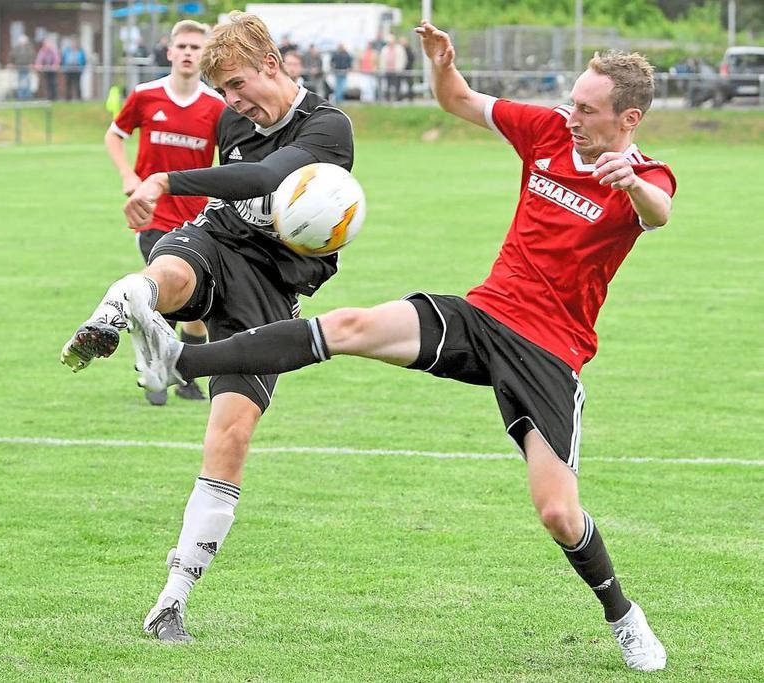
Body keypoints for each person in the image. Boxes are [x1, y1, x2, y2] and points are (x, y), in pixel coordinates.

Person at [129, 21, 676, 673]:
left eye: (585, 108)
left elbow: (658, 211)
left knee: (558, 511)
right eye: (571, 100)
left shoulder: (645, 174)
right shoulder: (547, 132)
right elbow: (460, 101)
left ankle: (623, 615)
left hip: (549, 354)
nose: (570, 114)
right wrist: (442, 65)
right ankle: (177, 360)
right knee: (353, 326)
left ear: (627, 117)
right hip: (481, 315)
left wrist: (629, 183)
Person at [59, 10, 354, 641]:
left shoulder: (327, 126)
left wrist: (168, 176)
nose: (233, 102)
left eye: (239, 86)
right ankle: (114, 318)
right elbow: (233, 190)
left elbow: (271, 177)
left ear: (272, 65)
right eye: (224, 92)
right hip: (218, 241)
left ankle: (172, 598)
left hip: (272, 288)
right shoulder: (233, 119)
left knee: (231, 436)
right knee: (170, 270)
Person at [95, 19, 225, 405]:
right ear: (169, 52)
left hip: (198, 221)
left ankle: (181, 375)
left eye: (195, 47)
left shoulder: (216, 107)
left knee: (198, 304)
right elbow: (114, 135)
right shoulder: (146, 95)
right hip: (152, 217)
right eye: (182, 46)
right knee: (168, 293)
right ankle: (155, 371)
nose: (188, 53)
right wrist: (129, 176)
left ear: (205, 55)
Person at [379, 35, 406, 101]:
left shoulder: (399, 48)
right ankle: (387, 98)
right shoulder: (384, 49)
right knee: (387, 85)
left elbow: (403, 59)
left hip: (397, 70)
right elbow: (382, 60)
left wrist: (401, 68)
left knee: (397, 85)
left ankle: (397, 98)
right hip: (387, 70)